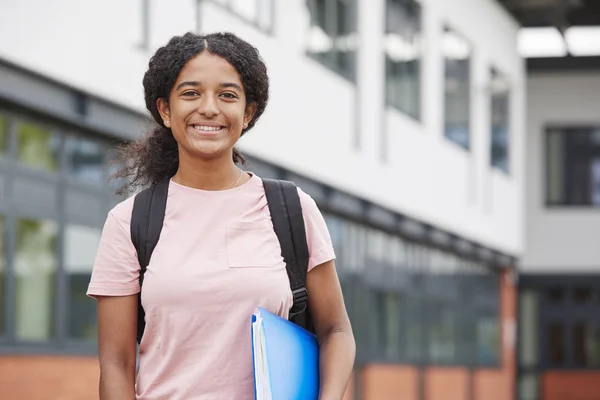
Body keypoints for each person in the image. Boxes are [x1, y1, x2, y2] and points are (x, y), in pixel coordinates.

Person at [87, 31, 356, 400]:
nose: (209, 108)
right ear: (165, 110)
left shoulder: (292, 209)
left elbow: (336, 331)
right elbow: (116, 364)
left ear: (247, 113)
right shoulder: (130, 222)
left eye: (227, 95)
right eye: (191, 93)